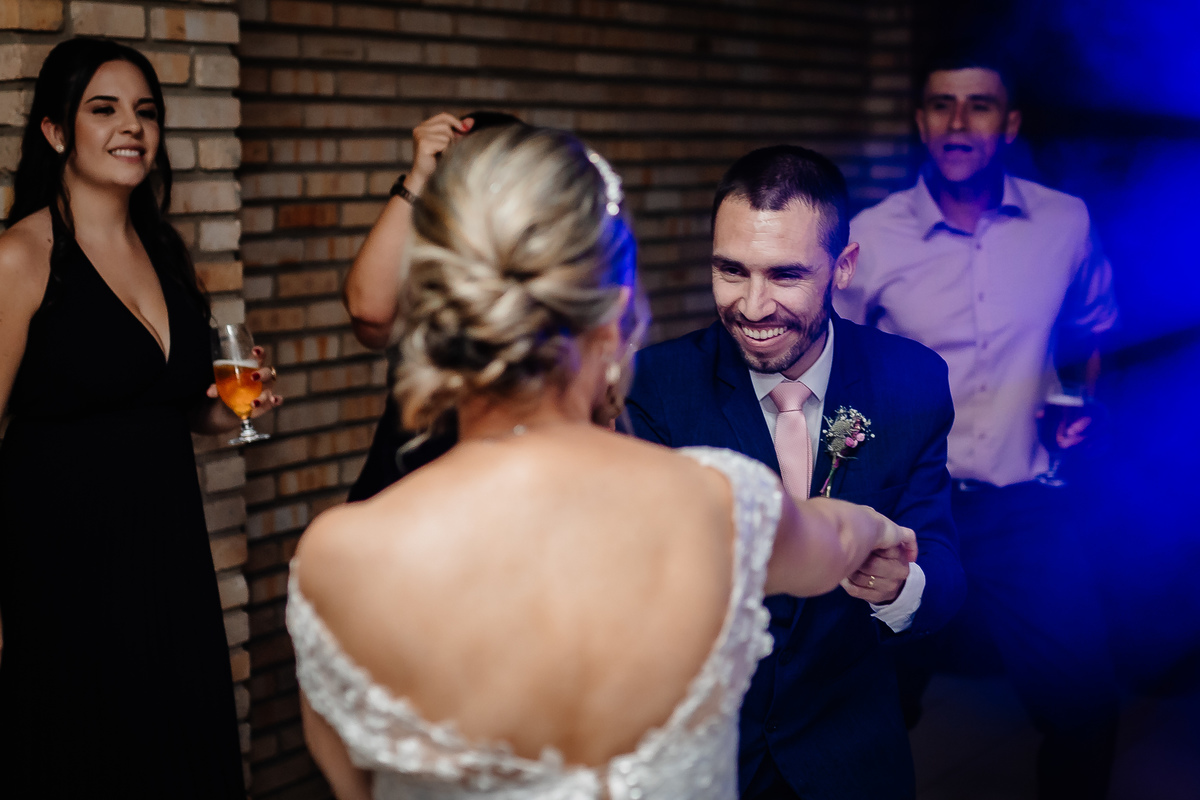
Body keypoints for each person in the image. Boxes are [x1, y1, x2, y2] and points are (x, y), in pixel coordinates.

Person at [287, 125, 919, 800]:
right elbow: (836, 537)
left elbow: (360, 787)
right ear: (616, 316)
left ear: (436, 315)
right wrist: (879, 530)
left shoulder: (336, 557)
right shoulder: (714, 505)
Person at [625, 145, 966, 800]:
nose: (753, 307)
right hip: (707, 761)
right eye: (731, 271)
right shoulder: (655, 387)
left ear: (844, 268)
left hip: (849, 757)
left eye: (785, 275)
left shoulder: (911, 381)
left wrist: (902, 587)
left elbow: (944, 567)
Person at [834, 51, 1120, 798]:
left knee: (1087, 710)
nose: (958, 122)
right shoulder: (873, 235)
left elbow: (1094, 325)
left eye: (979, 105)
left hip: (1026, 511)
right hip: (907, 513)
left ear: (1010, 124)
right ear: (921, 122)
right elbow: (831, 359)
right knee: (869, 715)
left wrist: (1080, 405)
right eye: (941, 105)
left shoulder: (1064, 221)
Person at [0, 37, 280, 798]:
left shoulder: (162, 249)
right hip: (64, 565)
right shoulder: (21, 257)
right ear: (55, 131)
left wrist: (229, 412)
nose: (132, 126)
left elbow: (171, 408)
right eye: (105, 109)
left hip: (168, 550)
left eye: (147, 112)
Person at [343, 110, 523, 501]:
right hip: (408, 482)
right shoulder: (432, 259)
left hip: (506, 487)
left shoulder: (545, 268)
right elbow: (368, 313)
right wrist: (419, 176)